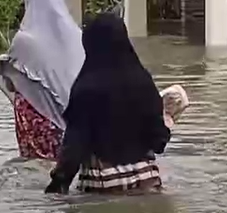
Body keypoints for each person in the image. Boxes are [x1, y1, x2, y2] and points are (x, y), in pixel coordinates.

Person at [45, 12, 173, 195]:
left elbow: (74, 145)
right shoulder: (143, 81)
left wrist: (57, 186)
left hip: (104, 185)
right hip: (148, 181)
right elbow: (159, 141)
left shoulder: (86, 88)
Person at [0, 0, 84, 160]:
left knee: (37, 166)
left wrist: (5, 65)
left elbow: (13, 84)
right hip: (74, 124)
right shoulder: (79, 37)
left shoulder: (23, 41)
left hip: (40, 121)